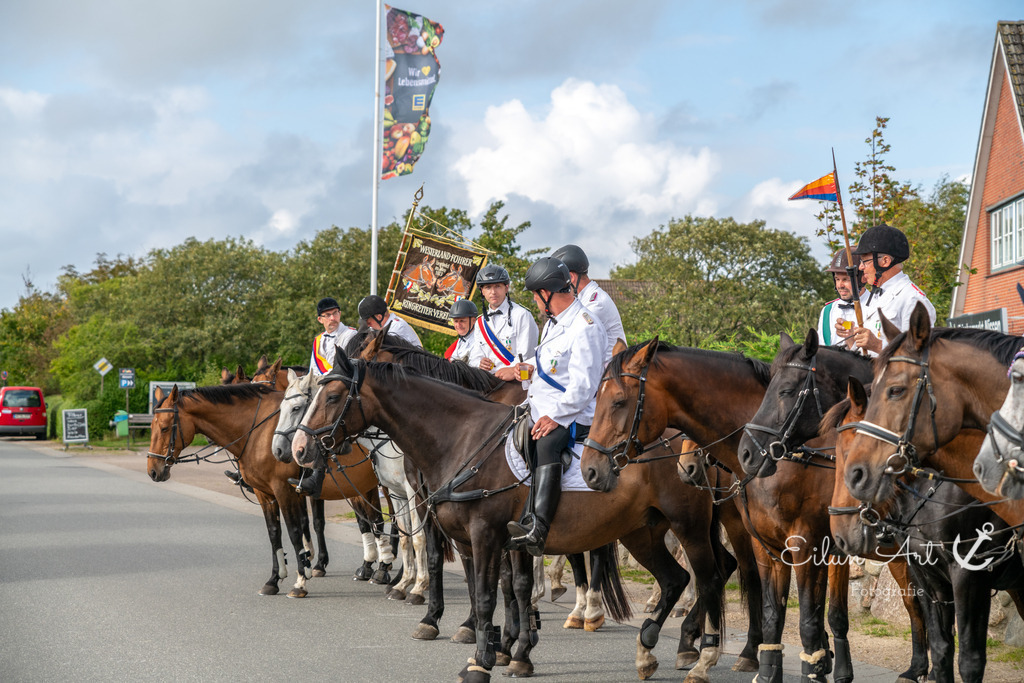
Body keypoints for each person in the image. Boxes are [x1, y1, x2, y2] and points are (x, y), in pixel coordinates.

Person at [506, 256, 608, 556]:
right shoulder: (556, 323)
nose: (536, 303)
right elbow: (547, 367)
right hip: (542, 404)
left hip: (575, 413)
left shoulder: (585, 325)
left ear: (545, 294)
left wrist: (557, 418)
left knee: (546, 443)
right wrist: (522, 371)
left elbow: (584, 384)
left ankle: (538, 527)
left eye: (535, 296)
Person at [290, 296, 358, 498]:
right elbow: (313, 370)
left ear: (340, 314)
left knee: (321, 422)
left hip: (344, 388)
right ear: (320, 319)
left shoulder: (351, 335)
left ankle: (316, 477)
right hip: (323, 388)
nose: (332, 318)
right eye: (327, 315)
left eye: (335, 313)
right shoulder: (318, 340)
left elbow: (349, 365)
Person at [849, 224, 937, 356]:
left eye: (865, 261)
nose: (861, 267)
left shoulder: (913, 299)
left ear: (885, 261)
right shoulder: (875, 295)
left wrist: (878, 345)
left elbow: (919, 353)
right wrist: (851, 337)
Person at [551, 244, 625, 364]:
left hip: (608, 374)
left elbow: (567, 340)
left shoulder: (595, 303)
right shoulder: (584, 299)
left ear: (571, 277)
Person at [474, 264, 539, 381]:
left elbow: (527, 356)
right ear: (482, 291)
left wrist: (510, 370)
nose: (493, 292)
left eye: (497, 286)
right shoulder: (479, 322)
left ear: (506, 287)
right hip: (488, 381)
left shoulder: (521, 315)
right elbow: (475, 354)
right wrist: (479, 362)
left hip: (517, 381)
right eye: (488, 287)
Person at [816, 250, 867, 349]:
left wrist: (852, 342)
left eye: (846, 279)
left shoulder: (878, 305)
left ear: (862, 278)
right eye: (837, 279)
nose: (840, 285)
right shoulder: (827, 311)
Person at [358, 294, 423, 348]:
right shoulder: (382, 327)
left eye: (369, 322)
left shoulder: (397, 327)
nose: (368, 325)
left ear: (379, 317)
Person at [444, 298, 480, 363]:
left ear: (473, 320)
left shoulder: (480, 341)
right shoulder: (462, 339)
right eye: (456, 321)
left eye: (462, 321)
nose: (458, 325)